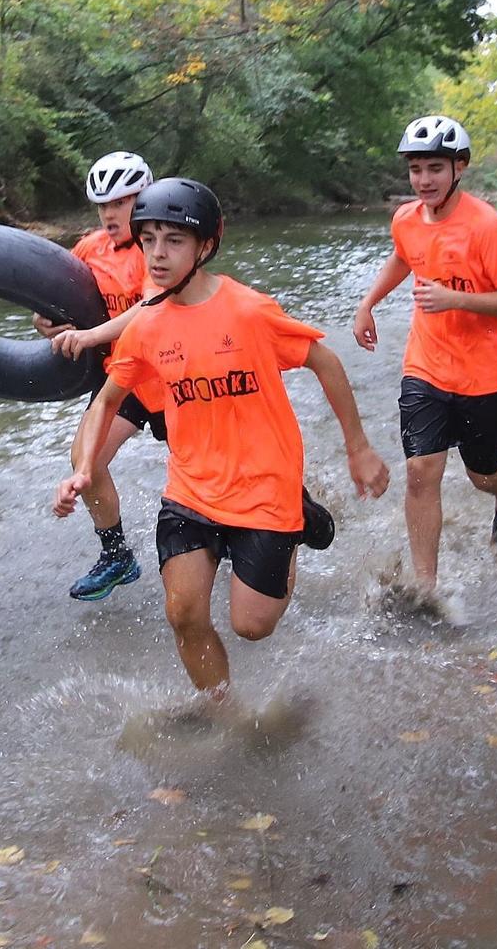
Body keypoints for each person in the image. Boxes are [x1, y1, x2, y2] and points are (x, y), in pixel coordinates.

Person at [55, 178, 391, 697]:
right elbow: (107, 399)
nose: (157, 254)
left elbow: (324, 362)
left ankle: (297, 517)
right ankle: (222, 711)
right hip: (192, 489)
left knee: (252, 626)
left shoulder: (249, 311)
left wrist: (359, 448)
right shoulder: (145, 326)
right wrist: (83, 469)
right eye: (148, 240)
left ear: (206, 245)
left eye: (174, 241)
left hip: (264, 486)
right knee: (183, 613)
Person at [352, 116, 497, 594]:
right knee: (420, 471)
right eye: (416, 169)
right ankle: (426, 587)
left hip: (485, 375)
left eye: (435, 168)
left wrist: (456, 299)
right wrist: (368, 303)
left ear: (460, 167)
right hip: (426, 367)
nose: (424, 180)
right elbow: (404, 255)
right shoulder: (406, 219)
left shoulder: (486, 227)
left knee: (483, 474)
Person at [28, 151, 166, 601]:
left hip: (176, 374)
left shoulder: (162, 247)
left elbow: (150, 308)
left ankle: (283, 503)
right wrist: (46, 321)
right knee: (85, 458)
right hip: (123, 378)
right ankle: (117, 555)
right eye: (103, 205)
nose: (109, 214)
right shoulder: (90, 248)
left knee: (218, 462)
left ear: (144, 198)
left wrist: (88, 336)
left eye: (120, 202)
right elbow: (55, 298)